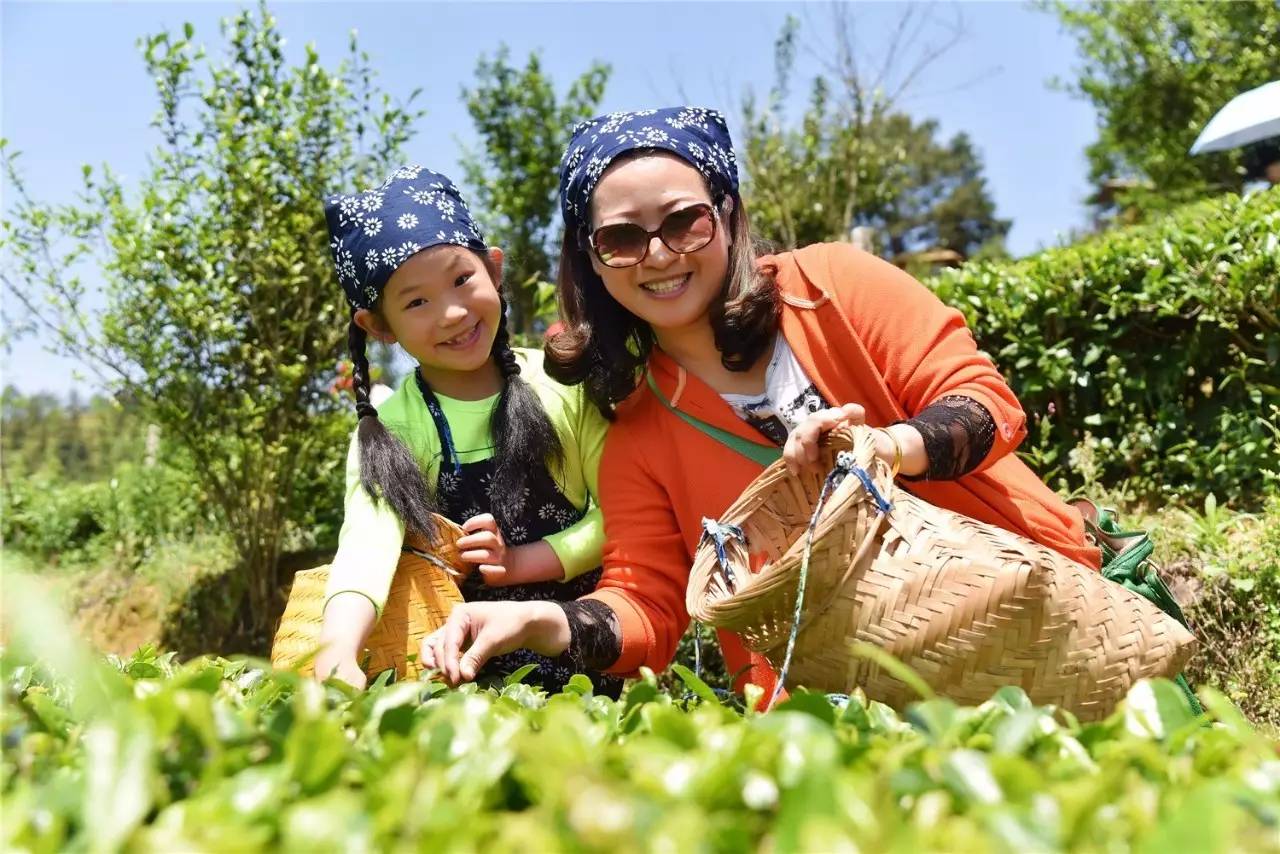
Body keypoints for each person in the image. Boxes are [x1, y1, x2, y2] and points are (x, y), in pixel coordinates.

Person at [421, 108, 1100, 700]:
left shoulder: (833, 284)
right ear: (591, 260)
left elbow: (983, 403)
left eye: (684, 221)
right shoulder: (637, 430)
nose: (658, 255)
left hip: (1033, 621)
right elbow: (645, 603)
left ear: (729, 214)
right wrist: (539, 620)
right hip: (834, 702)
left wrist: (886, 448)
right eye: (622, 238)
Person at [314, 165, 618, 697]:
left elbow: (621, 516)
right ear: (379, 326)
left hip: (588, 654)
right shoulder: (393, 429)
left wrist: (521, 562)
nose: (452, 312)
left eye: (461, 280)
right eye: (416, 302)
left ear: (494, 270)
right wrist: (338, 650)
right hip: (464, 677)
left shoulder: (562, 384)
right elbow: (365, 548)